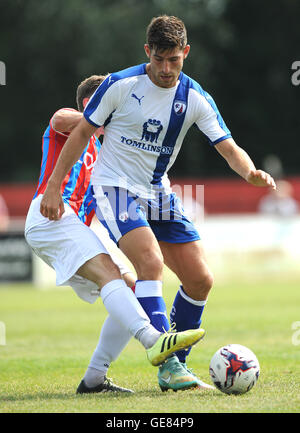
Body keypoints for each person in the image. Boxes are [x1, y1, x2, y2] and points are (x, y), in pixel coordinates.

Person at [39, 15, 276, 392]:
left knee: (200, 280)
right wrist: (53, 187)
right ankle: (166, 365)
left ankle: (175, 368)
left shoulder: (195, 97)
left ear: (186, 53)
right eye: (159, 59)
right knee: (149, 262)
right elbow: (82, 130)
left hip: (158, 191)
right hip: (115, 186)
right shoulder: (120, 85)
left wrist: (249, 172)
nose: (166, 69)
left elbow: (227, 147)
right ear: (147, 51)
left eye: (174, 60)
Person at [25, 73, 205, 394]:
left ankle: (94, 379)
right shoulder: (75, 125)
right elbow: (58, 117)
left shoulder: (109, 150)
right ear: (92, 103)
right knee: (112, 276)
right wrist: (103, 115)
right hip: (50, 214)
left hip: (70, 225)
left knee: (130, 286)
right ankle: (154, 340)